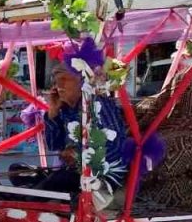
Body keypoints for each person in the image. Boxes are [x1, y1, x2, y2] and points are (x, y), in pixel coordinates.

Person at [38, 61, 128, 192]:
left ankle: (23, 200)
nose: (59, 86)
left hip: (103, 176)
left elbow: (116, 146)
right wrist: (53, 113)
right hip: (73, 174)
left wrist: (79, 157)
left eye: (65, 79)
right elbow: (54, 146)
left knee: (59, 180)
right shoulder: (65, 109)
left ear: (81, 81)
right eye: (57, 81)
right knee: (20, 171)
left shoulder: (98, 104)